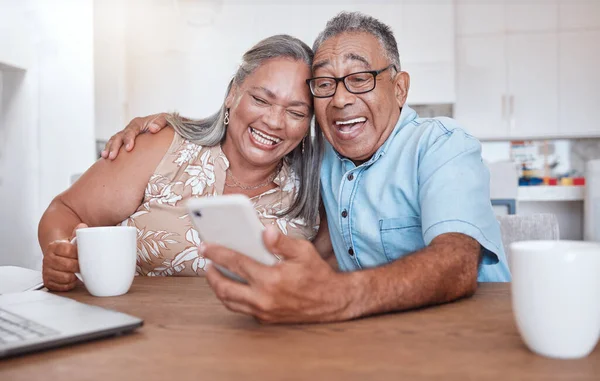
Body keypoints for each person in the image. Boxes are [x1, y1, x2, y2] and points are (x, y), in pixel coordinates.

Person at [104, 12, 511, 323]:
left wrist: (338, 295)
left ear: (400, 87)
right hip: (372, 333)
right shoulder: (322, 157)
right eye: (325, 84)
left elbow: (457, 263)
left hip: (473, 328)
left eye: (359, 78)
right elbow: (256, 125)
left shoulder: (442, 145)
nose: (340, 99)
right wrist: (167, 123)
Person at [38, 35, 330, 292]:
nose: (274, 121)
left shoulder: (317, 190)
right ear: (233, 94)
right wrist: (60, 255)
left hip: (258, 346)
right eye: (261, 99)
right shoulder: (162, 146)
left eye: (296, 112)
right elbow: (64, 210)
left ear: (309, 124)